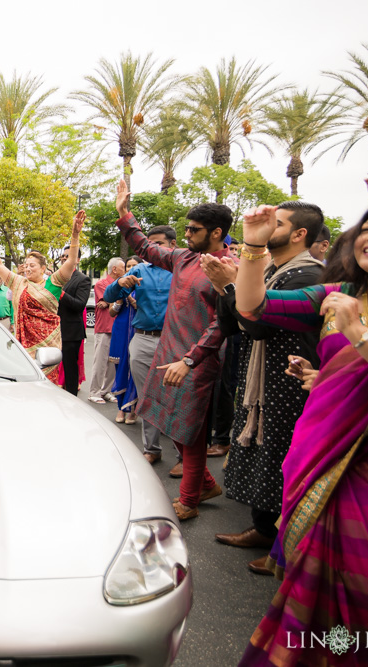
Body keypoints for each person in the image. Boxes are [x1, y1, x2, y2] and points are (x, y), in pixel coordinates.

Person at [235, 195, 368, 666]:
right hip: (317, 456)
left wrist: (360, 333)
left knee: (363, 592)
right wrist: (253, 247)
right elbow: (255, 307)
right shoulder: (335, 295)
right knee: (314, 585)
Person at [203, 202, 325, 575]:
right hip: (261, 375)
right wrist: (224, 286)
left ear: (300, 233)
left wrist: (230, 285)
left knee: (282, 459)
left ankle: (286, 546)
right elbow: (235, 322)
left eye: (278, 223)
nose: (267, 227)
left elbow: (257, 325)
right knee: (264, 452)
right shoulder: (268, 270)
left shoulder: (308, 276)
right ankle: (262, 529)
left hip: (292, 380)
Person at [113, 179, 228, 521]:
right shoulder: (184, 258)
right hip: (167, 355)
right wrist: (124, 214)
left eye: (195, 229)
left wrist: (191, 360)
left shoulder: (229, 266)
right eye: (187, 228)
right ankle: (205, 482)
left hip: (196, 361)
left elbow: (223, 321)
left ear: (217, 232)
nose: (187, 234)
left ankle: (189, 501)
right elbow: (147, 248)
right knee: (164, 418)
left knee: (191, 433)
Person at [103, 227, 175, 467]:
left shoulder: (180, 270)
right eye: (149, 243)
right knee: (146, 395)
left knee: (174, 397)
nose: (152, 248)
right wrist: (120, 282)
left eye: (159, 243)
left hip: (172, 340)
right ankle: (152, 449)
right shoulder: (139, 270)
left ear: (172, 245)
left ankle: (184, 456)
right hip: (142, 339)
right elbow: (111, 295)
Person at [0, 212, 86, 384]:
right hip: (23, 347)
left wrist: (75, 235)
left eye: (32, 266)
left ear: (43, 268)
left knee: (46, 387)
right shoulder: (19, 283)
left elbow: (70, 262)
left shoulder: (53, 284)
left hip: (47, 348)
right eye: (26, 266)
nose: (27, 269)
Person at [88, 258, 127, 403]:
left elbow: (111, 301)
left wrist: (109, 302)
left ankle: (106, 391)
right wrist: (111, 300)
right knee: (100, 362)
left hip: (117, 328)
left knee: (113, 362)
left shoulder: (122, 283)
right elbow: (110, 299)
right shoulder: (102, 284)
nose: (125, 270)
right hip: (104, 327)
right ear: (115, 269)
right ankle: (94, 392)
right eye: (123, 267)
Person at [56, 246, 91, 395]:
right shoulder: (56, 278)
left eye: (68, 256)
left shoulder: (83, 279)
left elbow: (79, 305)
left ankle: (71, 400)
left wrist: (61, 293)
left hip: (71, 333)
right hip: (53, 331)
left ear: (77, 260)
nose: (64, 258)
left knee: (70, 370)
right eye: (63, 256)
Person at [109, 256, 140, 423]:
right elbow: (111, 312)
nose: (131, 269)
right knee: (120, 368)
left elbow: (139, 307)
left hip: (138, 332)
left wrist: (129, 296)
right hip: (120, 332)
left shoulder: (144, 287)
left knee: (134, 369)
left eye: (135, 266)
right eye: (128, 266)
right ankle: (121, 408)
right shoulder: (119, 287)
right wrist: (119, 300)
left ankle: (132, 410)